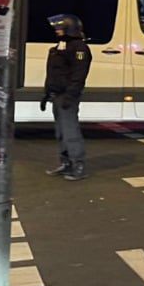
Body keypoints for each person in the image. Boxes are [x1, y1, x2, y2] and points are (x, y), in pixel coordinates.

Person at [43, 14, 92, 181]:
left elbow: (78, 76)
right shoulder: (61, 46)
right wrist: (47, 93)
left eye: (60, 27)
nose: (57, 30)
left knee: (70, 131)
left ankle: (78, 165)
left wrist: (70, 96)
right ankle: (66, 163)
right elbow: (54, 73)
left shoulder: (79, 48)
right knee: (61, 132)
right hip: (57, 95)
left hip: (66, 96)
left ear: (70, 28)